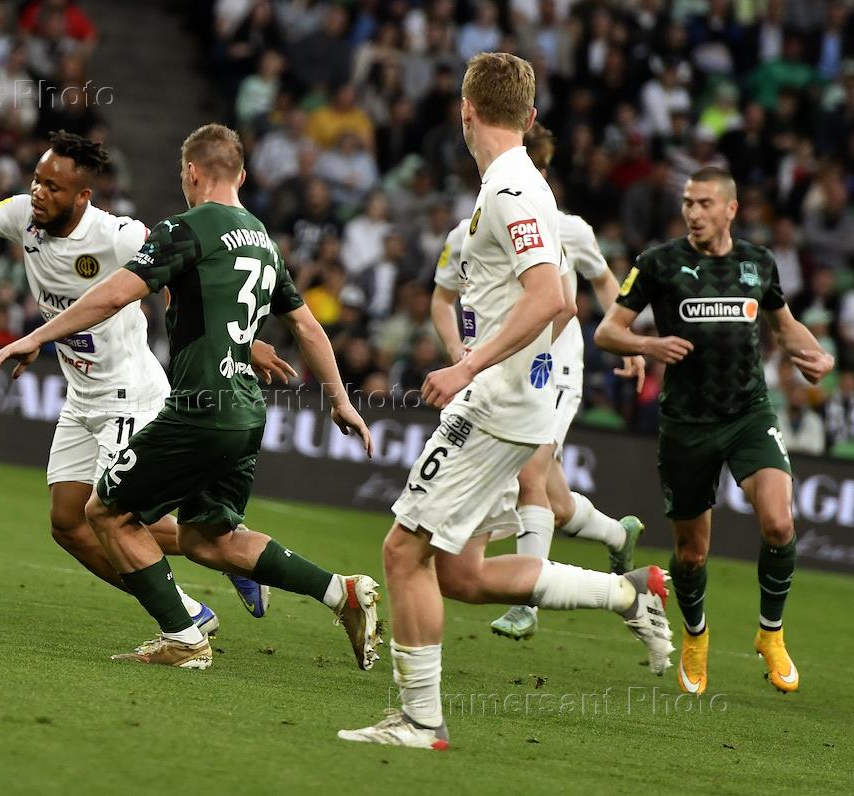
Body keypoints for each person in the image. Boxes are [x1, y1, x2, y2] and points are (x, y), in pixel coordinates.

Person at [338, 53, 673, 751]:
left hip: (491, 408)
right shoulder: (518, 185)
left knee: (402, 552)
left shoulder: (511, 188)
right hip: (514, 403)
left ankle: (421, 721)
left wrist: (470, 366)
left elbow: (550, 297)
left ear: (465, 111)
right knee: (460, 573)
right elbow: (560, 301)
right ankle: (628, 591)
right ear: (529, 115)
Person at [0, 123, 382, 671]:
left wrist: (36, 336)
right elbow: (306, 326)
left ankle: (184, 637)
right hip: (245, 410)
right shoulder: (262, 238)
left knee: (107, 512)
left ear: (191, 172)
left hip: (199, 408)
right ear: (241, 175)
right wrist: (340, 400)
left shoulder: (185, 228)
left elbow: (113, 295)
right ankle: (341, 592)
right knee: (209, 540)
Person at [0, 130, 284, 640]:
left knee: (115, 516)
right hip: (82, 394)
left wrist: (239, 343)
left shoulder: (119, 235)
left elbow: (189, 278)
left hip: (131, 392)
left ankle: (230, 554)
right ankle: (196, 597)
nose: (39, 192)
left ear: (82, 196)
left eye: (52, 186)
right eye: (37, 180)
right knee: (68, 524)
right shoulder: (22, 214)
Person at [595, 166, 834, 695]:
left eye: (704, 203)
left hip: (749, 414)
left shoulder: (758, 263)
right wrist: (650, 345)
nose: (693, 212)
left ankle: (770, 634)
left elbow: (784, 325)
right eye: (688, 203)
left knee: (779, 523)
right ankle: (696, 636)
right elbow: (608, 331)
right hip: (687, 424)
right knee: (691, 554)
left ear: (731, 209)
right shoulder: (659, 262)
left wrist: (814, 353)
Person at [430, 121, 647, 642]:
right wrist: (459, 352)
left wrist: (626, 336)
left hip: (556, 367)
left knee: (530, 476)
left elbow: (595, 285)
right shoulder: (467, 232)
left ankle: (526, 604)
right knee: (555, 499)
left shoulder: (567, 228)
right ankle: (618, 534)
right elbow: (441, 299)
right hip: (498, 371)